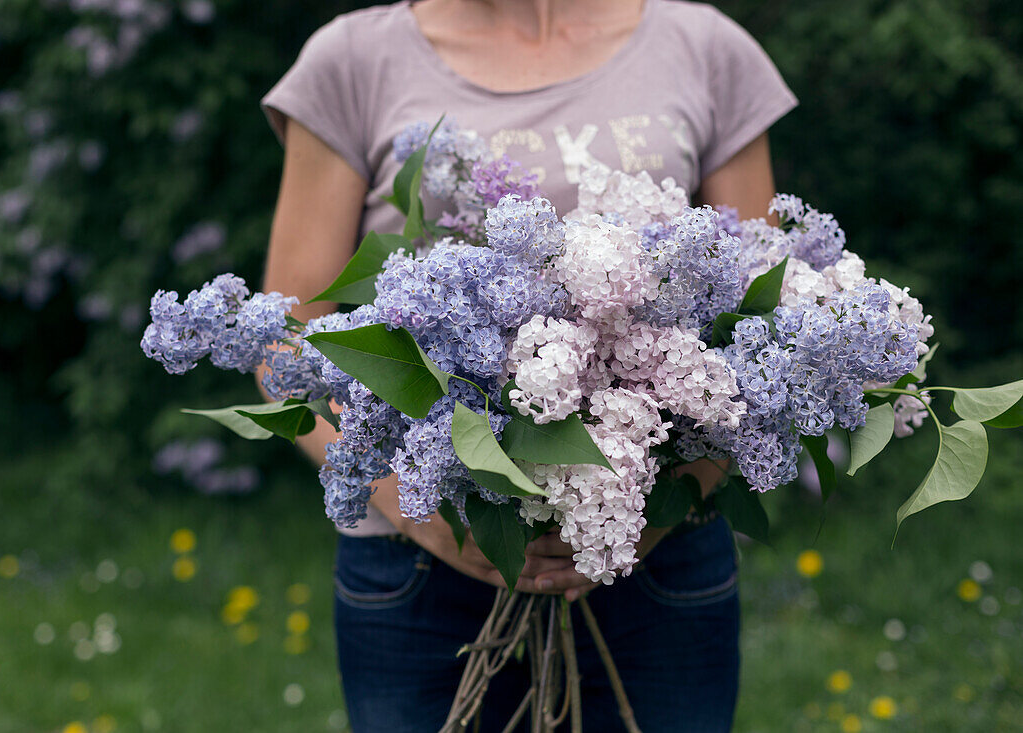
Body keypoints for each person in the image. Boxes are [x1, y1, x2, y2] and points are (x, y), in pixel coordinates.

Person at [258, 1, 797, 730]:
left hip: (659, 560)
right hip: (424, 569)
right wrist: (418, 510)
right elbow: (290, 335)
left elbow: (766, 319)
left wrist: (658, 506)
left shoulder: (704, 46)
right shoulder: (353, 59)